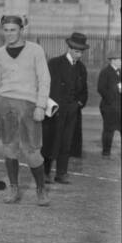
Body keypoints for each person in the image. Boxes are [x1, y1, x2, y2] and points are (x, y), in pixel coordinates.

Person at [0, 15, 52, 206]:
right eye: (6, 30)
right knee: (9, 148)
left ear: (21, 30)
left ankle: (41, 190)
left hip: (28, 105)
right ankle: (14, 189)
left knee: (32, 151)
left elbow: (44, 79)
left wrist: (40, 105)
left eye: (13, 30)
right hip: (4, 103)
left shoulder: (35, 50)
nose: (9, 34)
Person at [42, 31, 89, 184]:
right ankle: (45, 173)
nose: (79, 55)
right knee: (50, 142)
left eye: (81, 52)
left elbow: (84, 92)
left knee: (66, 143)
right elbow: (46, 86)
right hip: (54, 111)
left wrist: (78, 104)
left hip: (72, 112)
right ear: (69, 48)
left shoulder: (82, 68)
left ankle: (61, 173)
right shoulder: (54, 64)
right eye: (76, 51)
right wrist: (50, 106)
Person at [97, 54, 122, 157]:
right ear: (113, 61)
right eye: (119, 59)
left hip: (120, 106)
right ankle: (106, 152)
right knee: (108, 130)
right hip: (109, 106)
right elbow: (101, 89)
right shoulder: (105, 72)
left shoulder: (121, 72)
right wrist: (112, 98)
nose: (121, 61)